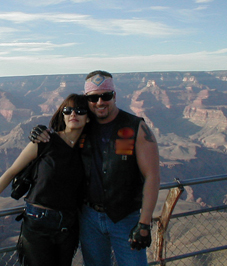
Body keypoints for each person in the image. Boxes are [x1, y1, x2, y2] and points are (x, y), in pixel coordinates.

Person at [29, 70, 160, 266]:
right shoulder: (83, 125)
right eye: (93, 97)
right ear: (87, 100)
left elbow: (152, 176)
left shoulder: (135, 127)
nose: (100, 102)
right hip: (89, 218)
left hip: (125, 218)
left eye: (105, 96)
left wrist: (144, 223)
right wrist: (39, 132)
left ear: (114, 96)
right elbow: (60, 138)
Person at [0, 93, 90, 266]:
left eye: (80, 110)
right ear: (63, 114)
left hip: (68, 227)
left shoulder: (89, 148)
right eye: (68, 110)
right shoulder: (45, 141)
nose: (73, 114)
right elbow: (11, 172)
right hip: (38, 225)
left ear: (88, 119)